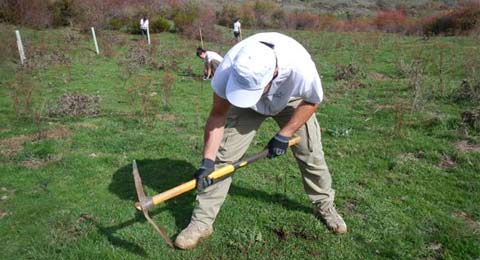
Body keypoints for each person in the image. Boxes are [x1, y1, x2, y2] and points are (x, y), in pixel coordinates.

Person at [175, 32, 347, 250]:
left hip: (293, 100)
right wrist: (207, 161)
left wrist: (284, 134)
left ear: (274, 73)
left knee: (311, 153)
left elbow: (312, 101)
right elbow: (217, 116)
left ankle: (325, 206)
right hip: (246, 106)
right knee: (222, 158)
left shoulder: (301, 68)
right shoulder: (228, 69)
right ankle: (201, 222)